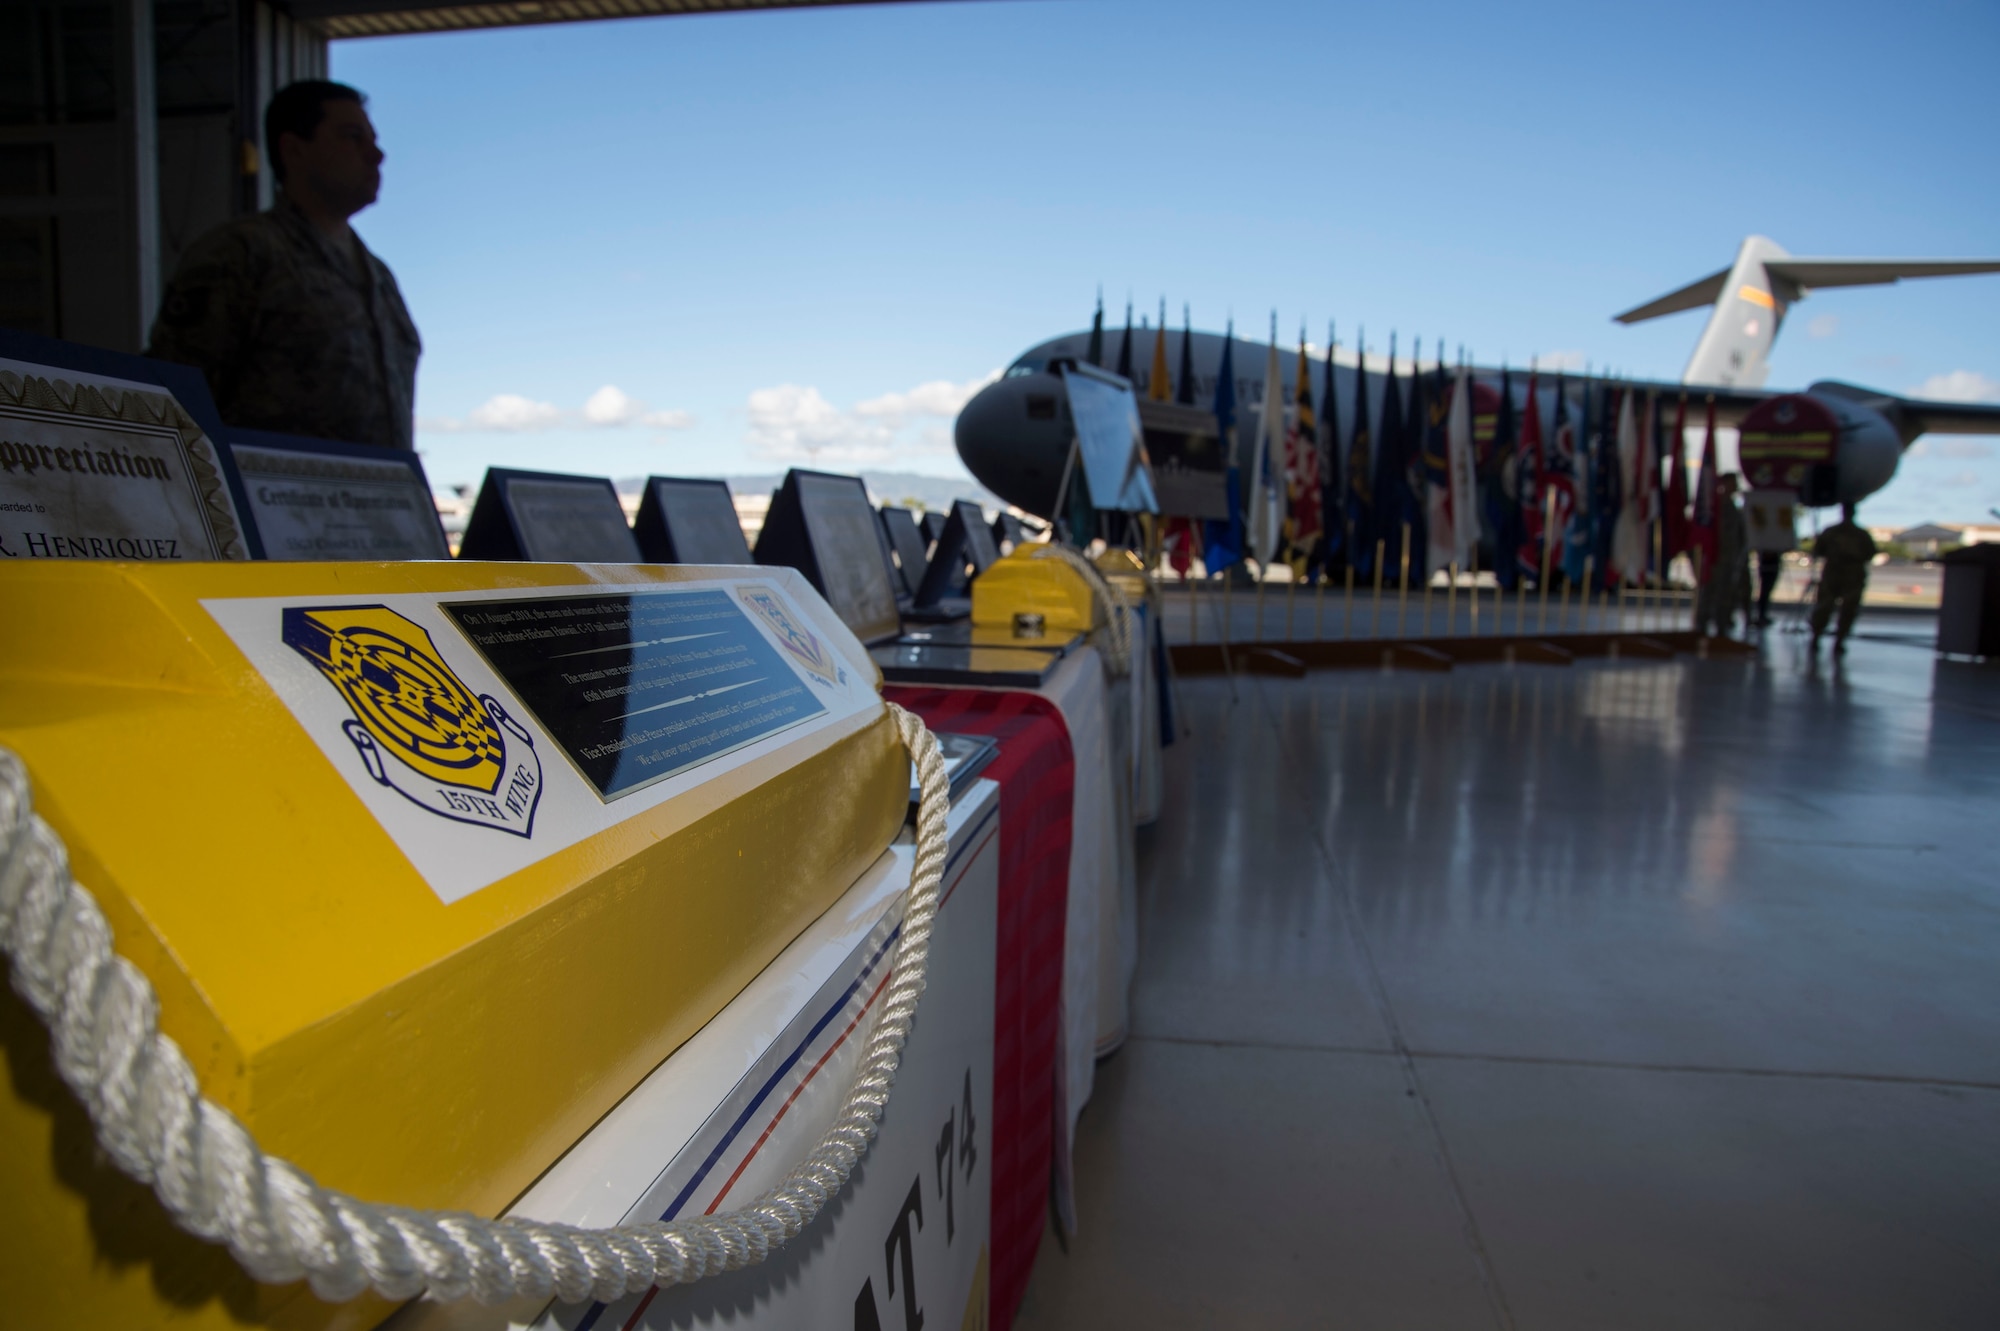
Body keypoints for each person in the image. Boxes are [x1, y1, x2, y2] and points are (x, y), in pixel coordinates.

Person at [148, 81, 420, 450]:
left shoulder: (379, 277)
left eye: (372, 140)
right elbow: (172, 404)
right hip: (270, 500)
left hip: (377, 501)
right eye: (352, 137)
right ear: (293, 150)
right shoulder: (241, 253)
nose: (376, 155)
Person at [1810, 503, 1877, 652]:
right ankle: (1833, 639)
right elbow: (1870, 554)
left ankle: (1822, 637)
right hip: (1847, 574)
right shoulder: (1860, 534)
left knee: (1831, 606)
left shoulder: (1833, 532)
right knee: (1840, 608)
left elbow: (1818, 551)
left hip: (1839, 574)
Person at [1696, 474, 1750, 637]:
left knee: (1727, 593)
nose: (1735, 487)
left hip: (1730, 558)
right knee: (1711, 591)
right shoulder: (1715, 507)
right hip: (1716, 558)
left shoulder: (1734, 507)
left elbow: (1740, 536)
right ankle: (1703, 623)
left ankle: (1722, 624)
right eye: (1732, 483)